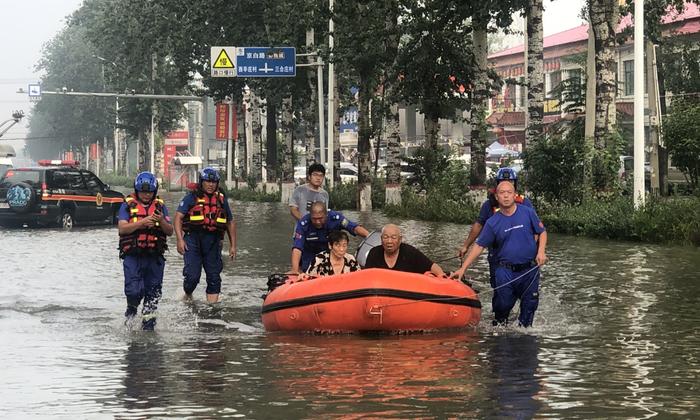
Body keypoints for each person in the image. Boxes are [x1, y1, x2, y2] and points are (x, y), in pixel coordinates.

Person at [452, 180, 547, 327]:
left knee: (529, 307)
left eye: (509, 192)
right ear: (497, 197)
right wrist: (463, 268)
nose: (506, 196)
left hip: (529, 270)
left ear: (515, 195)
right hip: (504, 271)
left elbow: (542, 232)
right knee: (502, 306)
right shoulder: (492, 222)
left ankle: (525, 339)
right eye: (502, 193)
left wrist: (541, 252)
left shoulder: (528, 213)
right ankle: (500, 332)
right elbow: (479, 246)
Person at [457, 167, 534, 284]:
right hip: (498, 256)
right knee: (500, 292)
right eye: (503, 183)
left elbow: (538, 230)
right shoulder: (489, 205)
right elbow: (478, 227)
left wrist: (538, 251)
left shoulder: (525, 204)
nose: (506, 188)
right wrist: (466, 246)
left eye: (510, 183)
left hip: (523, 257)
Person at [117, 171, 174, 330]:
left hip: (154, 257)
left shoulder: (160, 207)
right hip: (133, 256)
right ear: (137, 191)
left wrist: (160, 220)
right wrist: (143, 223)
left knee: (153, 295)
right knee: (134, 291)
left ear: (154, 192)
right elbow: (122, 229)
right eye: (143, 191)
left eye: (149, 192)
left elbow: (169, 231)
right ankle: (131, 313)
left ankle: (149, 329)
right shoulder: (127, 205)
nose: (146, 195)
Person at [174, 167, 236, 303]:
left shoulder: (221, 200)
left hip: (213, 241)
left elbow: (230, 222)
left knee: (214, 277)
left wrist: (232, 246)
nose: (210, 185)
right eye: (207, 181)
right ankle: (188, 294)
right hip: (192, 239)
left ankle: (212, 312)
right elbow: (178, 217)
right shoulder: (191, 198)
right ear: (201, 182)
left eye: (213, 182)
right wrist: (179, 240)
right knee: (192, 276)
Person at [291, 201, 369, 273]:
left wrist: (369, 236)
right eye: (314, 219)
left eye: (320, 218)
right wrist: (295, 270)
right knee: (307, 271)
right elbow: (297, 248)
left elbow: (354, 228)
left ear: (326, 214)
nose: (317, 222)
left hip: (332, 252)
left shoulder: (335, 218)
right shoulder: (303, 223)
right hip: (310, 254)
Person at [364, 224, 445, 276]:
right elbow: (366, 276)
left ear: (400, 239)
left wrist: (441, 276)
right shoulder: (374, 253)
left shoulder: (410, 252)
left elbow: (432, 266)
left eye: (393, 237)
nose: (389, 241)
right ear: (381, 239)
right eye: (386, 237)